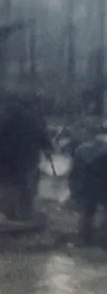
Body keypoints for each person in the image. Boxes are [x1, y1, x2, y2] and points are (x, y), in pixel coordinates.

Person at [0, 93, 52, 221]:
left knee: (9, 186)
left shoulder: (5, 118)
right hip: (28, 159)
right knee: (26, 187)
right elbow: (42, 135)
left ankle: (11, 214)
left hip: (7, 159)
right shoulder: (31, 118)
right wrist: (47, 148)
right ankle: (26, 213)